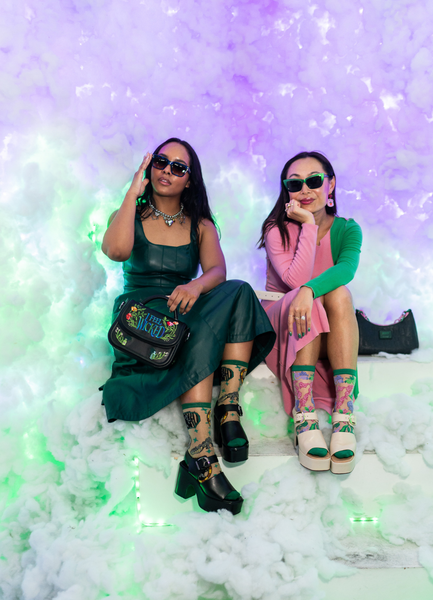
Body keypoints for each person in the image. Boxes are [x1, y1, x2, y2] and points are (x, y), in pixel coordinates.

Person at [101, 138, 275, 514]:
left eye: (178, 167)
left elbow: (217, 271)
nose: (167, 170)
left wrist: (196, 286)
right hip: (141, 324)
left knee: (239, 290)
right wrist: (132, 193)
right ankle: (201, 454)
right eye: (161, 162)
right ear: (150, 167)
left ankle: (227, 409)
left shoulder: (200, 225)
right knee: (198, 335)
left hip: (182, 315)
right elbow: (116, 251)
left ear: (189, 180)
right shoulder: (129, 212)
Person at [258, 151, 362, 474]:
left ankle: (344, 416)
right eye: (295, 184)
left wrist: (309, 291)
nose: (305, 190)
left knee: (339, 293)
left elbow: (346, 270)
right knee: (311, 299)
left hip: (325, 327)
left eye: (314, 181)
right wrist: (307, 225)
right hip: (283, 322)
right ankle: (304, 415)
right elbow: (296, 280)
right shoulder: (276, 229)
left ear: (331, 185)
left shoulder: (348, 229)